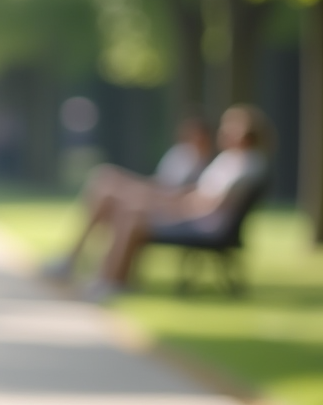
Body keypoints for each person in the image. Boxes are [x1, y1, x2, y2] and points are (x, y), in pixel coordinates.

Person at [60, 105, 271, 301]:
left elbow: (213, 203)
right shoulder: (230, 160)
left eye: (229, 127)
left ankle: (111, 281)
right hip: (194, 211)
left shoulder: (247, 164)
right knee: (126, 202)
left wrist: (176, 205)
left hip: (202, 223)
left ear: (245, 133)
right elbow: (202, 192)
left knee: (133, 215)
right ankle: (108, 278)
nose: (222, 132)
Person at [43, 114, 214, 281]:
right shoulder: (180, 154)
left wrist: (147, 192)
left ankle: (89, 268)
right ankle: (76, 259)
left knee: (118, 200)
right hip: (156, 195)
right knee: (104, 177)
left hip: (164, 206)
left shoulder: (205, 166)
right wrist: (145, 189)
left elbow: (186, 198)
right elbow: (160, 182)